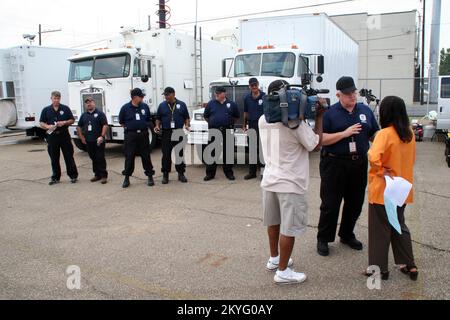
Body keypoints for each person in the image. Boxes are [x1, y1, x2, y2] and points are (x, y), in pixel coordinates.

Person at [259, 80, 326, 285]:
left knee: (273, 222)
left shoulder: (263, 118)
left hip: (270, 179)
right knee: (289, 228)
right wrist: (320, 115)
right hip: (291, 183)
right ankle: (283, 272)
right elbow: (315, 145)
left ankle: (274, 259)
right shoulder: (294, 122)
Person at [317, 76, 380, 257]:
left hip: (358, 163)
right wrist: (344, 134)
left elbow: (374, 133)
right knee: (330, 203)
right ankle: (323, 238)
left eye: (354, 92)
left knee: (355, 202)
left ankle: (346, 234)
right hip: (334, 162)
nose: (352, 96)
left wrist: (383, 139)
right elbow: (320, 140)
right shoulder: (329, 113)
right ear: (338, 94)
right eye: (347, 94)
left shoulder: (365, 110)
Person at [366, 96, 418, 281]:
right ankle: (409, 264)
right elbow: (411, 160)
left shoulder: (384, 134)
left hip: (384, 190)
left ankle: (378, 269)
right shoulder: (409, 134)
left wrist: (381, 170)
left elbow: (373, 156)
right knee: (398, 226)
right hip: (402, 189)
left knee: (380, 231)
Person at [39, 91, 78, 185]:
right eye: (54, 98)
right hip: (52, 136)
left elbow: (72, 120)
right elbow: (41, 122)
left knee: (69, 156)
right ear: (51, 98)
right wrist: (48, 127)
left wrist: (64, 122)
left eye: (58, 98)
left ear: (60, 99)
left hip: (64, 135)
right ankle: (55, 177)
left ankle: (73, 176)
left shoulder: (65, 108)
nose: (56, 100)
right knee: (54, 158)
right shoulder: (46, 110)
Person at [119, 88, 155, 188]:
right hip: (130, 135)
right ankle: (126, 177)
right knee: (129, 156)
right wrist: (131, 128)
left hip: (143, 135)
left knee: (146, 156)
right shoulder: (125, 108)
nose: (143, 98)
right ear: (135, 97)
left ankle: (150, 176)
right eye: (141, 97)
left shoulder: (144, 107)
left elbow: (148, 119)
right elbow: (121, 122)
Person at [202, 86, 240, 181]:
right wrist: (214, 122)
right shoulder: (211, 104)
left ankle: (229, 173)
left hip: (228, 130)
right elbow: (206, 117)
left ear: (224, 93)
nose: (217, 95)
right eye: (216, 93)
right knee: (212, 152)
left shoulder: (232, 104)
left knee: (228, 152)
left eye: (219, 93)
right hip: (214, 130)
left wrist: (227, 123)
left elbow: (236, 117)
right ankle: (210, 174)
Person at [155, 87, 190, 184]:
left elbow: (186, 117)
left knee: (179, 154)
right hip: (166, 133)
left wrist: (186, 125)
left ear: (173, 94)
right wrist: (157, 126)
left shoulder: (181, 104)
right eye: (165, 95)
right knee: (166, 154)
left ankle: (181, 174)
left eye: (167, 95)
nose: (166, 97)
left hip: (178, 132)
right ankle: (165, 175)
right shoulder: (162, 106)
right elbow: (158, 118)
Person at [76, 97, 109, 184]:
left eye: (90, 102)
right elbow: (79, 126)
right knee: (93, 158)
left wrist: (102, 136)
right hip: (88, 141)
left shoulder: (100, 114)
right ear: (85, 105)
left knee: (100, 157)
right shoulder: (84, 115)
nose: (89, 104)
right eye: (87, 102)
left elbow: (105, 125)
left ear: (94, 103)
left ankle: (104, 175)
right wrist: (81, 137)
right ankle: (97, 175)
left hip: (99, 141)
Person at [243, 77, 266, 180]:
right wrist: (244, 124)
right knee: (252, 149)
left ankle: (263, 173)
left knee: (262, 150)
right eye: (252, 85)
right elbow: (246, 113)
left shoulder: (265, 96)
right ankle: (252, 173)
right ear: (249, 86)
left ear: (258, 84)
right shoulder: (247, 98)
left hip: (263, 126)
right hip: (252, 125)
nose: (254, 87)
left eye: (255, 85)